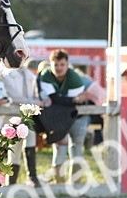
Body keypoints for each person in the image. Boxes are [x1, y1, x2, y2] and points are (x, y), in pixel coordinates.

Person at [38, 50, 90, 184]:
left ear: (67, 64)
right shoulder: (46, 75)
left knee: (76, 146)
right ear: (51, 64)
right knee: (59, 145)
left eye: (62, 64)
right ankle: (58, 182)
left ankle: (76, 183)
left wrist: (63, 100)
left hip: (77, 117)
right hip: (59, 117)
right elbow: (60, 100)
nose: (59, 68)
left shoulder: (75, 79)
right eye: (56, 65)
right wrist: (71, 99)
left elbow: (65, 103)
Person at [1, 58, 42, 187]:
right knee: (14, 148)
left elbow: (36, 94)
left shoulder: (29, 75)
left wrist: (35, 101)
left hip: (26, 115)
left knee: (30, 138)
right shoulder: (6, 74)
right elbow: (13, 97)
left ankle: (32, 175)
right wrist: (34, 103)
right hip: (11, 115)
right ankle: (12, 180)